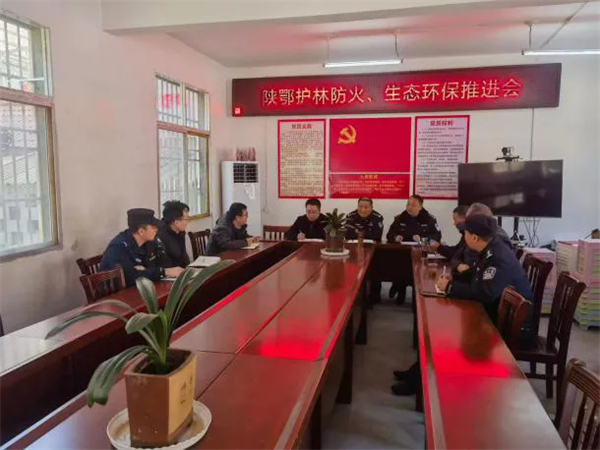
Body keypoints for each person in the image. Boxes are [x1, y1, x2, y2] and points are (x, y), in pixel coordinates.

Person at [391, 214, 532, 396]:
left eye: (465, 233)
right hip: (493, 312)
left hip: (506, 327)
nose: (463, 237)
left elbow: (485, 293)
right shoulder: (489, 248)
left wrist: (450, 287)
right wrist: (454, 278)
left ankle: (419, 385)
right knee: (442, 327)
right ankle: (416, 374)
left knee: (446, 336)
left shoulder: (497, 257)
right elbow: (476, 275)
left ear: (474, 237)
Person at [99, 208, 184, 287]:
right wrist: (162, 272)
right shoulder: (119, 247)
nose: (156, 230)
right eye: (153, 228)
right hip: (115, 295)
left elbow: (164, 264)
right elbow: (130, 278)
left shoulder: (150, 242)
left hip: (141, 288)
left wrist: (146, 271)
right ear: (141, 231)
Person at [387, 195, 441, 302]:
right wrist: (395, 237)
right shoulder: (400, 218)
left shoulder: (430, 219)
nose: (409, 207)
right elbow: (389, 234)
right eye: (408, 204)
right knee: (398, 265)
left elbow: (437, 237)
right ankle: (399, 287)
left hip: (421, 254)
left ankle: (412, 295)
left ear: (420, 207)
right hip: (402, 253)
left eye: (413, 205)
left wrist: (423, 239)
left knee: (415, 274)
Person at [346, 197, 385, 301]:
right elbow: (348, 234)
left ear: (371, 208)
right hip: (354, 250)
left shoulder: (377, 217)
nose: (363, 210)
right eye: (360, 206)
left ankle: (375, 296)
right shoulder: (350, 216)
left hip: (372, 250)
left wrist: (358, 233)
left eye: (366, 207)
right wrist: (365, 234)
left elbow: (376, 235)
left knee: (375, 269)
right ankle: (353, 295)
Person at [428, 205, 474, 281]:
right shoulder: (465, 235)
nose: (454, 224)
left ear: (465, 218)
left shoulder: (472, 236)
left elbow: (456, 254)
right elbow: (457, 251)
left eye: (455, 220)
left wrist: (439, 247)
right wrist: (439, 247)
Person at [158, 200, 190, 268]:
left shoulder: (180, 232)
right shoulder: (161, 236)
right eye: (186, 219)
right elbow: (166, 263)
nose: (188, 222)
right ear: (176, 222)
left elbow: (184, 256)